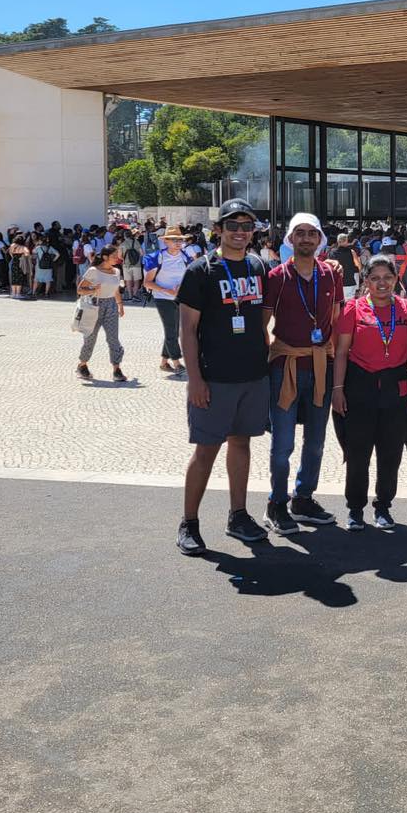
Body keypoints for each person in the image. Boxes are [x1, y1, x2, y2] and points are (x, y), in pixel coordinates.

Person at [175, 198, 270, 555]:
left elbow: (262, 320)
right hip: (214, 378)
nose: (240, 232)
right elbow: (187, 330)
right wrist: (195, 379)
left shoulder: (258, 266)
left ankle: (238, 515)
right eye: (232, 225)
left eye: (247, 226)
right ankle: (189, 522)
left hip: (252, 375)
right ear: (218, 229)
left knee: (242, 443)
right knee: (206, 450)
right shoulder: (200, 271)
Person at [332, 255, 407, 530]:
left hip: (395, 389)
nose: (381, 283)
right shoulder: (353, 309)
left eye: (387, 277)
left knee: (391, 452)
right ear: (366, 281)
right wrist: (337, 389)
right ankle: (355, 508)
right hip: (359, 387)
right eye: (375, 278)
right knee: (357, 452)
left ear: (396, 279)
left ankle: (383, 506)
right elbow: (341, 352)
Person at [263, 213, 342, 533]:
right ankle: (277, 503)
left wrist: (337, 365)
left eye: (312, 233)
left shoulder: (331, 274)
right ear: (290, 239)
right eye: (300, 233)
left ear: (320, 239)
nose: (306, 238)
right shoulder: (277, 277)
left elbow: (336, 320)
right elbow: (262, 326)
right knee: (283, 443)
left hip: (321, 365)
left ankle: (303, 498)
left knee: (316, 441)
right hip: (286, 367)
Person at [144, 226, 195, 373]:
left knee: (174, 330)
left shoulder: (185, 257)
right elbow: (147, 283)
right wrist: (167, 290)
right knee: (171, 330)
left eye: (180, 240)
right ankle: (177, 362)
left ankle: (164, 362)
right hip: (163, 298)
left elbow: (191, 276)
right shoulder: (157, 258)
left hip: (180, 298)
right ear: (165, 241)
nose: (178, 242)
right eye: (173, 240)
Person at [75, 244, 127, 381]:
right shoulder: (93, 271)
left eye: (117, 255)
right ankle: (82, 365)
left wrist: (120, 305)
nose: (117, 258)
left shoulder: (116, 271)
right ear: (105, 257)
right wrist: (93, 290)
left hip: (111, 305)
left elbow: (116, 290)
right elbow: (80, 290)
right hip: (94, 305)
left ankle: (116, 369)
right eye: (114, 256)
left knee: (113, 338)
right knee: (90, 338)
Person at [329, 233, 361, 301]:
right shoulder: (351, 252)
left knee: (337, 303)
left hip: (336, 282)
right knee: (349, 303)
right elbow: (358, 265)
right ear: (346, 241)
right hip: (349, 281)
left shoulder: (331, 252)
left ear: (338, 241)